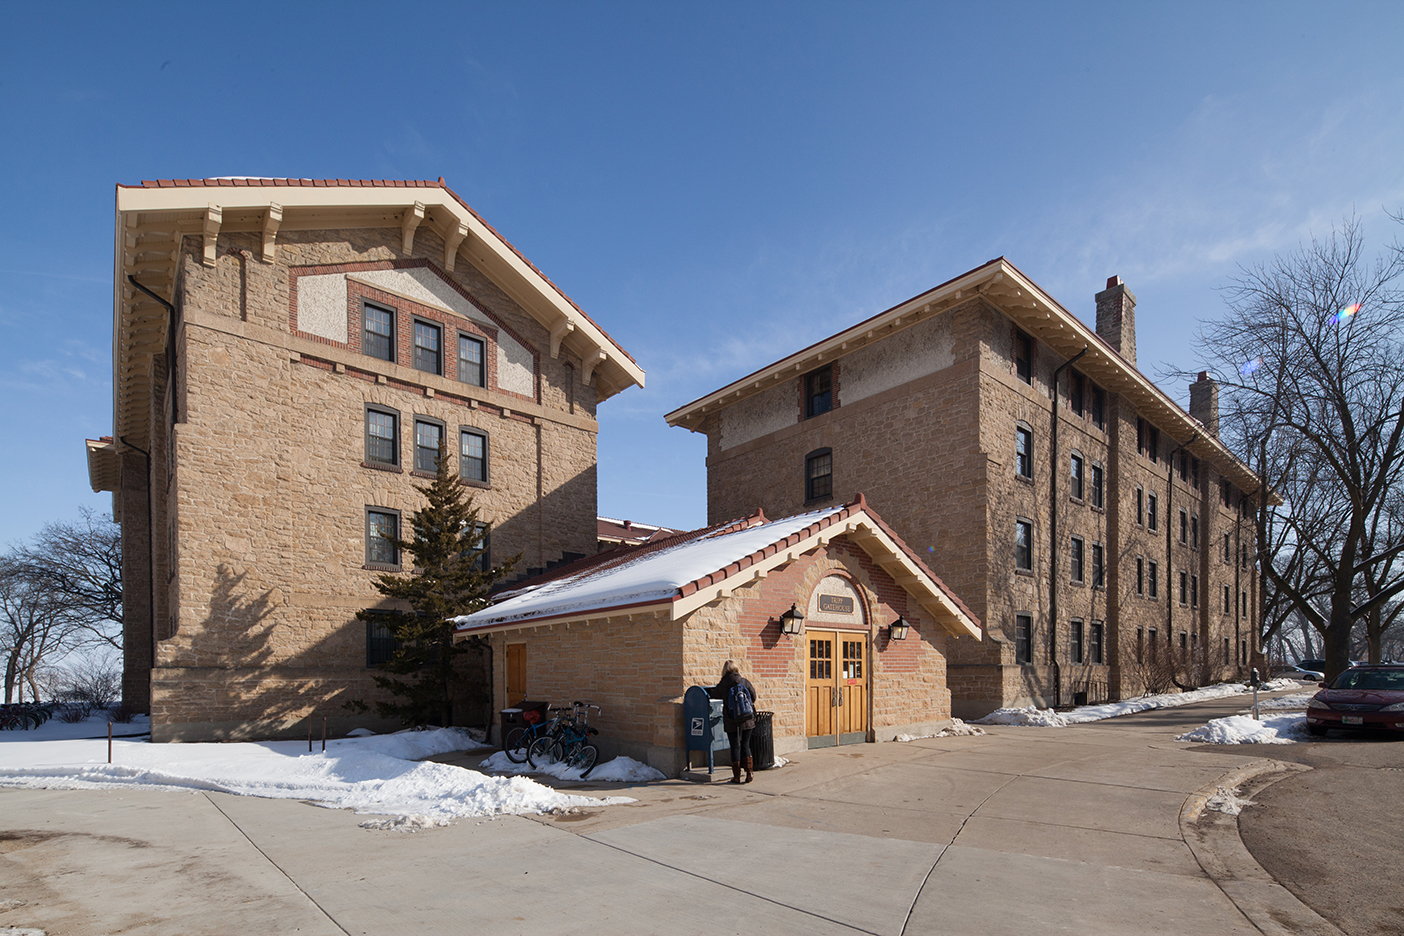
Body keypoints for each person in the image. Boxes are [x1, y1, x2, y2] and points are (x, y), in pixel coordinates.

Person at [717, 659, 757, 783]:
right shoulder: (744, 681)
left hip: (731, 720)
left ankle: (737, 776)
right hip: (747, 719)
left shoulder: (724, 684)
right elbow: (754, 696)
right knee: (745, 745)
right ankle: (749, 773)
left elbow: (714, 694)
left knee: (735, 746)